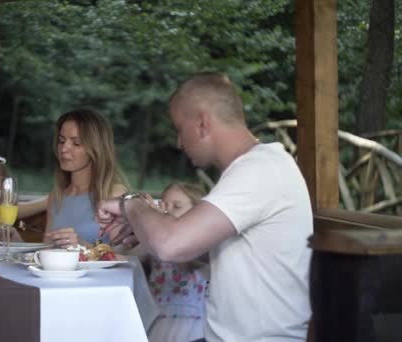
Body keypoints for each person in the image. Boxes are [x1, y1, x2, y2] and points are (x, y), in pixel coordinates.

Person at [97, 72, 312, 342]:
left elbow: (170, 244)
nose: (178, 142)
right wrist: (145, 230)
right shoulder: (253, 169)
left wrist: (131, 203)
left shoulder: (261, 169)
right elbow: (197, 249)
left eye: (178, 128)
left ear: (202, 124)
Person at [44, 108, 128, 248]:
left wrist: (82, 246)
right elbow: (46, 250)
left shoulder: (114, 194)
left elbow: (123, 258)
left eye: (76, 143)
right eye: (61, 141)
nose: (64, 148)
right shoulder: (56, 196)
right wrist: (16, 239)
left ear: (96, 149)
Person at [148, 182, 209, 342]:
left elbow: (186, 258)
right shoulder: (155, 241)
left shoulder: (204, 242)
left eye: (177, 206)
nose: (168, 211)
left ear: (197, 212)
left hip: (193, 325)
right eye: (164, 205)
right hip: (159, 320)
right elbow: (130, 256)